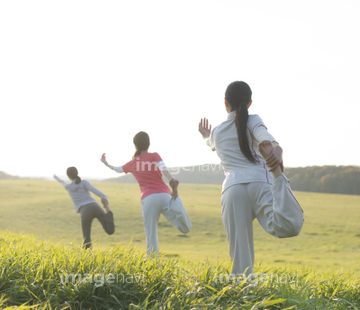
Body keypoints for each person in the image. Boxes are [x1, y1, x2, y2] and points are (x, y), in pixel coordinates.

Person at [198, 81, 303, 277]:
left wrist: (205, 135)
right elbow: (263, 135)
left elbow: (209, 142)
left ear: (225, 102)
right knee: (287, 225)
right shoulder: (252, 120)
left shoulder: (217, 131)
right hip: (259, 183)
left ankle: (242, 297)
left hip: (232, 191)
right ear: (250, 103)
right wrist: (276, 147)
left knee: (240, 258)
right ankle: (278, 177)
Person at [100, 131, 192, 255]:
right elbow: (162, 166)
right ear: (148, 143)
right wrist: (170, 179)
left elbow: (117, 169)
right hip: (165, 195)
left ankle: (153, 266)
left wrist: (106, 163)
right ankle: (176, 201)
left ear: (135, 145)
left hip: (149, 199)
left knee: (151, 235)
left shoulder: (132, 163)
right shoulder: (154, 155)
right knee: (185, 228)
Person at [54, 167, 115, 249]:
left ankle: (88, 257)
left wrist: (56, 177)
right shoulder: (84, 182)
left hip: (85, 211)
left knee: (86, 238)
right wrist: (105, 199)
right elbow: (95, 190)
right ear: (77, 173)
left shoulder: (68, 187)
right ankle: (108, 208)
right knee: (110, 230)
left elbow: (62, 181)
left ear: (68, 176)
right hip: (95, 206)